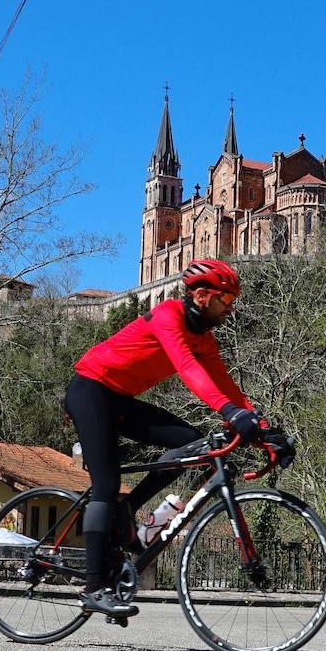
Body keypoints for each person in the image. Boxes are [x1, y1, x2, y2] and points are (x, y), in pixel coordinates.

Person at [63, 259, 293, 619]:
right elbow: (187, 368)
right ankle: (93, 587)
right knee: (106, 484)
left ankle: (129, 509)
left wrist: (264, 431)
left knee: (192, 442)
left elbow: (226, 387)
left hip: (119, 399)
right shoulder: (169, 315)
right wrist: (232, 415)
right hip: (90, 390)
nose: (230, 309)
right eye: (226, 300)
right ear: (202, 296)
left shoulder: (204, 337)